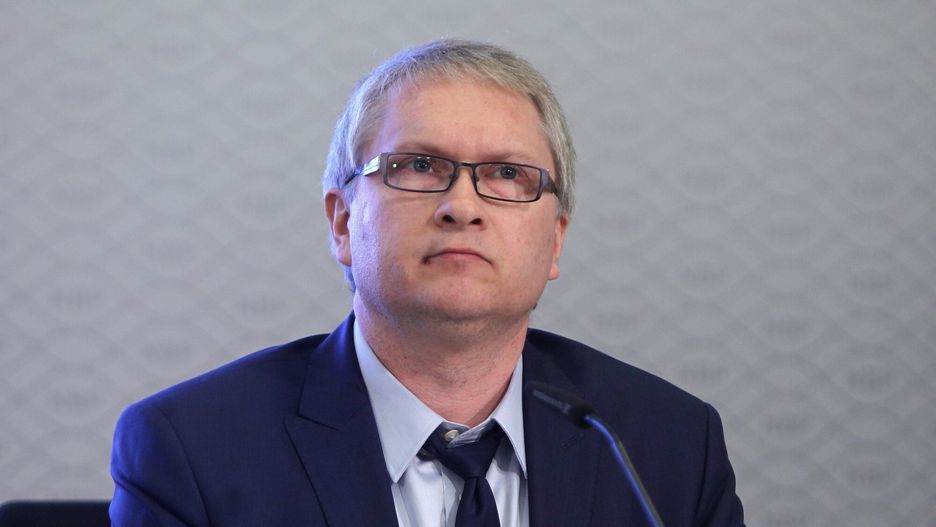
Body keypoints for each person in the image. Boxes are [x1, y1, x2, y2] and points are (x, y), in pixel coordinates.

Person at [110, 39, 744, 526]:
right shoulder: (194, 449)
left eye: (507, 174)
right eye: (418, 165)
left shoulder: (667, 444)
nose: (462, 206)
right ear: (342, 223)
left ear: (555, 239)